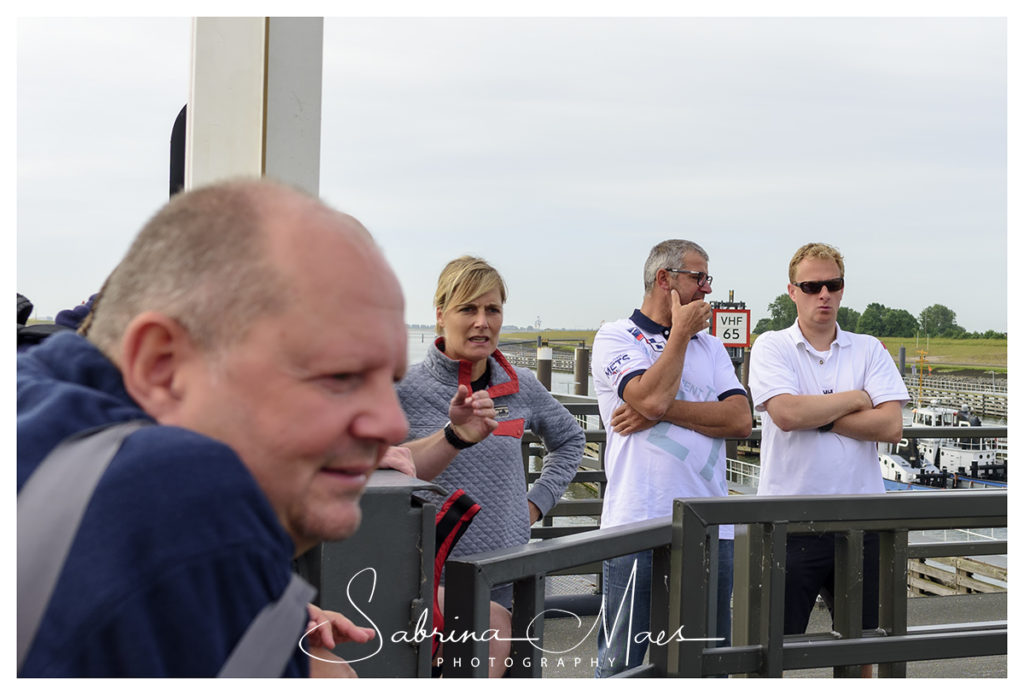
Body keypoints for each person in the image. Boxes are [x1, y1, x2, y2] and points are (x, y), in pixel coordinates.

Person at [17, 179, 409, 677]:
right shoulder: (178, 496)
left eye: (390, 380)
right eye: (339, 375)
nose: (393, 423)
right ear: (162, 366)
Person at [395, 256, 585, 677]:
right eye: (468, 309)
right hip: (428, 584)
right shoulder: (403, 390)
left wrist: (534, 505)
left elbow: (571, 440)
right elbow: (376, 474)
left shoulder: (523, 386)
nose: (482, 322)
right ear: (441, 314)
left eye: (492, 310)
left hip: (510, 574)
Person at [591, 240, 752, 677]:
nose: (707, 289)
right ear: (664, 279)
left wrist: (660, 411)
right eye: (698, 278)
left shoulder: (712, 348)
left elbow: (740, 419)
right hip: (635, 522)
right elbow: (648, 395)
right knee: (621, 662)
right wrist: (678, 335)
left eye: (707, 278)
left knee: (706, 659)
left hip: (707, 525)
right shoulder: (616, 336)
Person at [748, 242, 909, 678]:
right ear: (792, 291)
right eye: (812, 285)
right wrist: (857, 400)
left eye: (832, 284)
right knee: (771, 650)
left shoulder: (868, 348)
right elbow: (784, 413)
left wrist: (817, 415)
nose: (823, 294)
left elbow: (891, 426)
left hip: (863, 519)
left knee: (861, 648)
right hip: (789, 521)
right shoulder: (771, 346)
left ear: (842, 288)